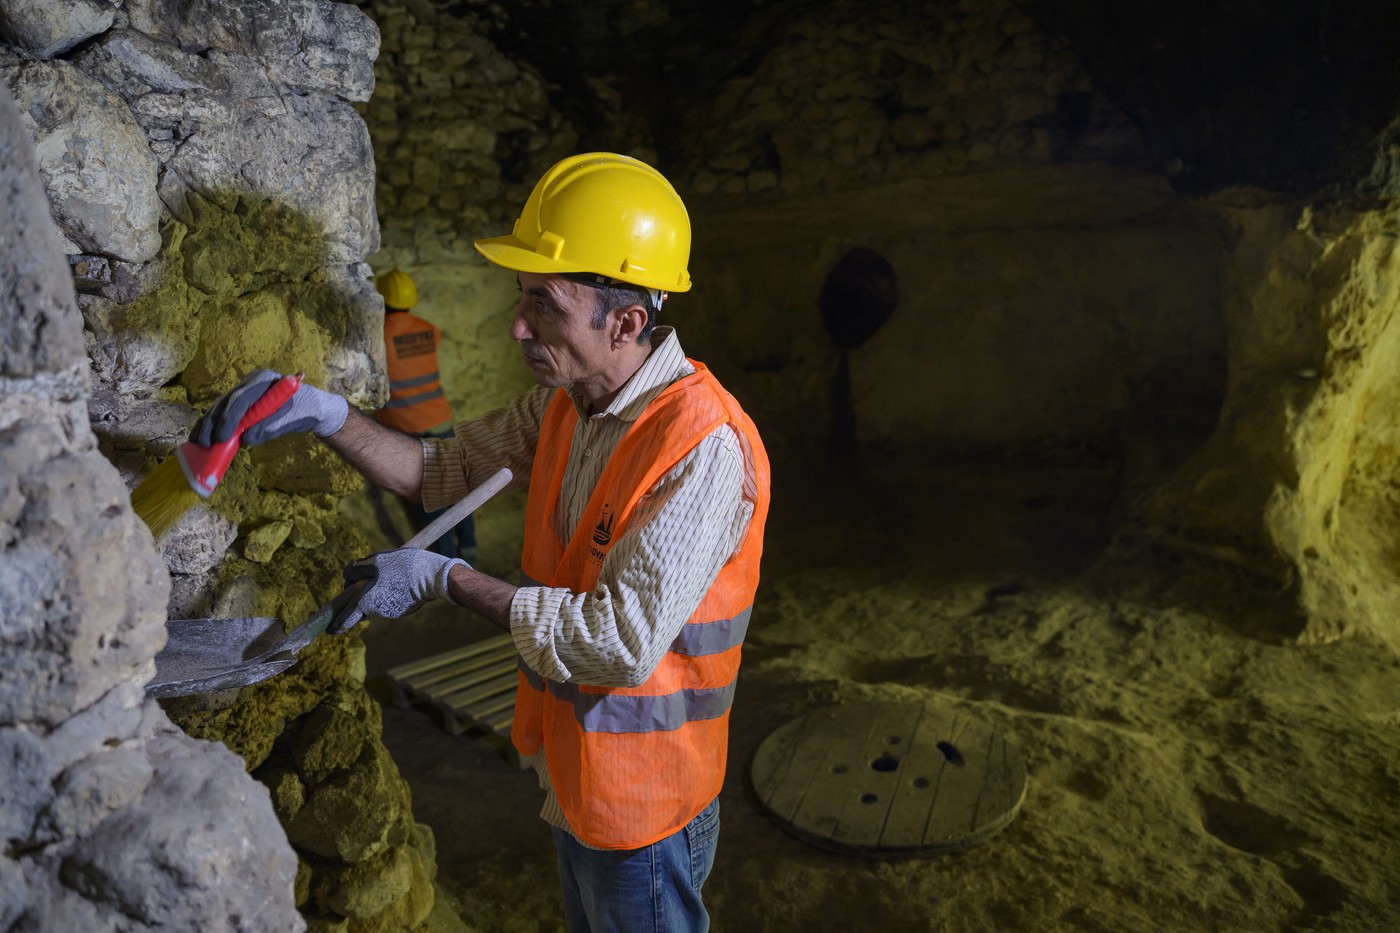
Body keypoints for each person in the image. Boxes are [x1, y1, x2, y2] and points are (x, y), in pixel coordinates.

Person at [189, 152, 771, 933]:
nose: (517, 326)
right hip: (577, 772)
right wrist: (324, 415)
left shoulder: (701, 447)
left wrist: (444, 579)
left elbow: (619, 641)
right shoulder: (567, 408)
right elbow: (440, 468)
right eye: (520, 298)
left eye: (545, 305)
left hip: (646, 803)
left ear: (626, 322)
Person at [372, 267, 477, 562]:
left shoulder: (377, 334)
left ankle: (442, 565)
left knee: (428, 501)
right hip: (441, 419)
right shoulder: (428, 328)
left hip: (407, 427)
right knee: (456, 487)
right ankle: (469, 548)